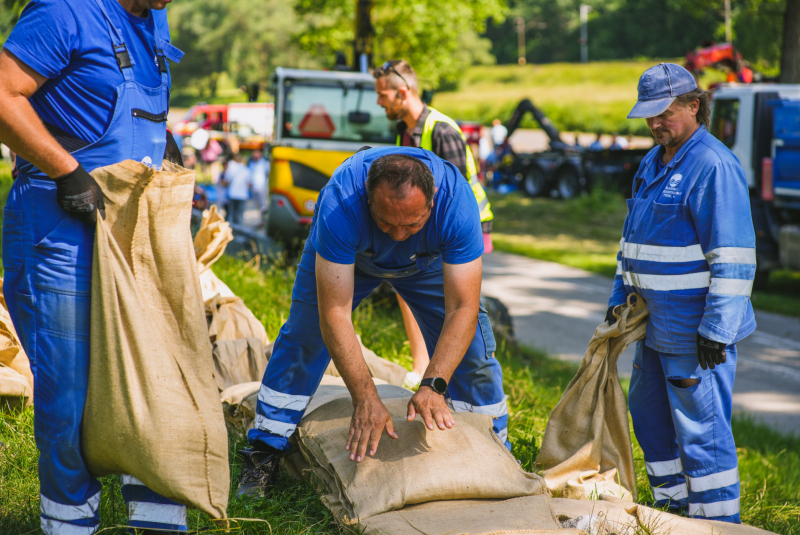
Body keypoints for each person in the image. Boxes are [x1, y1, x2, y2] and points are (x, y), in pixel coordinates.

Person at [0, 0, 191, 533]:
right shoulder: (64, 12)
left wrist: (167, 148)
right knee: (68, 396)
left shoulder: (152, 13)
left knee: (150, 381)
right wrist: (65, 170)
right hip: (57, 227)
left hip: (132, 229)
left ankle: (157, 521)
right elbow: (2, 94)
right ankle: (68, 523)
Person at [236, 147, 509, 498]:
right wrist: (365, 397)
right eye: (385, 222)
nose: (397, 235)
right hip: (352, 260)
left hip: (426, 263)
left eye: (412, 224)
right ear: (367, 199)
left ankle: (496, 451)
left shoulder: (458, 204)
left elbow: (462, 307)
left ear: (433, 202)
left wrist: (434, 383)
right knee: (304, 337)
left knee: (474, 355)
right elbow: (334, 312)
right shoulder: (341, 204)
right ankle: (264, 451)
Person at [607, 63, 755, 524]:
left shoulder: (712, 164)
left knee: (701, 428)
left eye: (665, 113)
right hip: (653, 322)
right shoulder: (653, 160)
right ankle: (670, 511)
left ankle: (716, 522)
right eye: (648, 115)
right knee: (647, 413)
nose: (655, 124)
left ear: (694, 106)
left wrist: (716, 330)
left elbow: (733, 256)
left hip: (695, 331)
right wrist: (618, 298)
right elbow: (631, 241)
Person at [373, 59, 495, 380]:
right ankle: (421, 366)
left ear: (402, 92)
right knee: (406, 287)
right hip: (424, 228)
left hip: (459, 229)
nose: (378, 101)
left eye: (382, 95)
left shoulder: (440, 129)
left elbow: (458, 195)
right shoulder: (404, 131)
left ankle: (463, 374)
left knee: (455, 304)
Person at [222, 153, 252, 224]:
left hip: (232, 194)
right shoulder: (246, 170)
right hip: (242, 195)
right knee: (239, 215)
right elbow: (249, 184)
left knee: (231, 214)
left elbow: (226, 181)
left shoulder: (231, 169)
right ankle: (238, 232)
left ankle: (229, 231)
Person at [248, 148, 270, 215]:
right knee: (256, 205)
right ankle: (259, 220)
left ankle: (262, 220)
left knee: (263, 205)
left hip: (262, 187)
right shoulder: (251, 163)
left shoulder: (265, 163)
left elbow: (268, 174)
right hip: (253, 187)